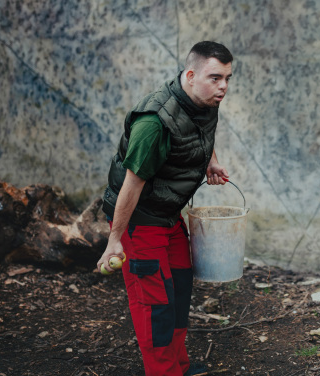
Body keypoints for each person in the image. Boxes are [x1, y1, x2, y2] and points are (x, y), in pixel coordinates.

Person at [97, 41, 233, 376]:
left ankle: (178, 366)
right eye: (215, 78)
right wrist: (115, 239)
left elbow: (204, 133)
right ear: (190, 75)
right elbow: (132, 184)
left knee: (180, 288)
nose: (224, 86)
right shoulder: (154, 123)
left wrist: (210, 163)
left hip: (168, 214)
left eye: (228, 78)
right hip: (140, 220)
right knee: (154, 306)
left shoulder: (204, 102)